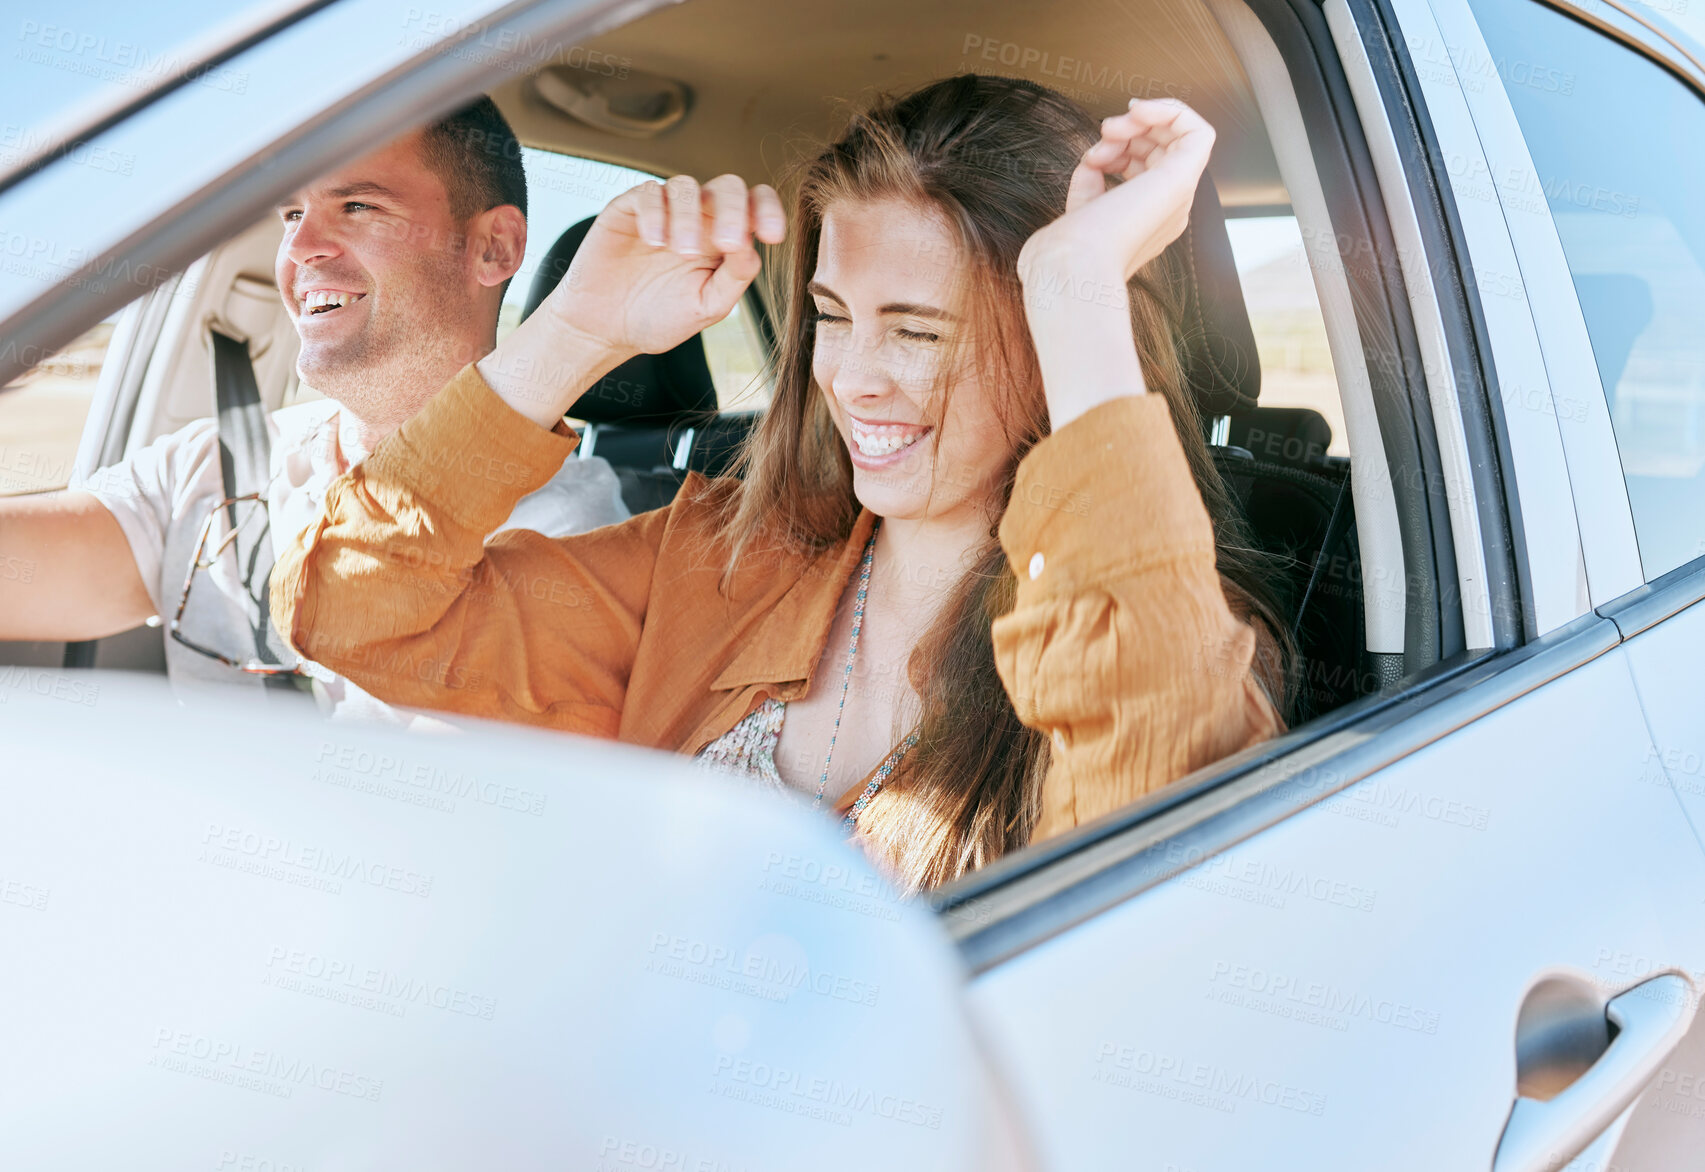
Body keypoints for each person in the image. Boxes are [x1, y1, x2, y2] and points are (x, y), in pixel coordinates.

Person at [272, 75, 1292, 887]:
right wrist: (574, 332)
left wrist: (1076, 289)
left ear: (1044, 347)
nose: (851, 375)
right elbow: (352, 608)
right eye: (835, 315)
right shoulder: (717, 558)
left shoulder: (1156, 628)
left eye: (919, 329)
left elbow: (1164, 854)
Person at [0, 98, 629, 724]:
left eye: (357, 206)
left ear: (495, 247)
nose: (299, 247)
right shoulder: (214, 468)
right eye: (292, 213)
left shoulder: (570, 543)